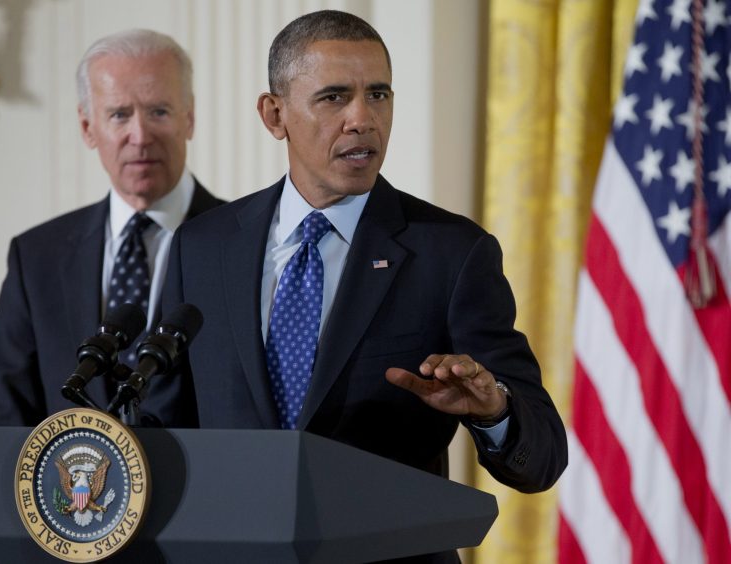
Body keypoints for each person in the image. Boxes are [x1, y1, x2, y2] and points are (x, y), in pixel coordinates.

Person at [161, 10, 566, 557]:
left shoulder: (450, 253)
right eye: (333, 97)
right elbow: (163, 426)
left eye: (378, 95)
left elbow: (542, 456)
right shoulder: (202, 248)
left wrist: (493, 410)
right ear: (274, 113)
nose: (362, 119)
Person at [0, 29, 224, 426]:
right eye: (119, 114)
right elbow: (4, 420)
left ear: (190, 117)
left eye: (159, 111)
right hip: (72, 488)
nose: (140, 136)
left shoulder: (243, 243)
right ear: (87, 126)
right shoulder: (36, 256)